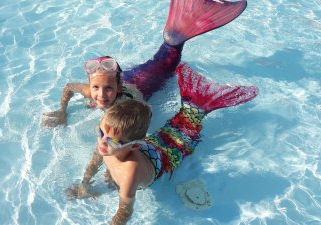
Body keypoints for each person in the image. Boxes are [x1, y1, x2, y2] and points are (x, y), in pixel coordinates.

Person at [65, 63, 259, 224]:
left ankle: (202, 104)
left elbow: (124, 212)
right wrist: (85, 185)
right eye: (101, 132)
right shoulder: (107, 143)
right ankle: (194, 104)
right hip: (150, 145)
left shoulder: (129, 173)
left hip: (163, 160)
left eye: (113, 140)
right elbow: (96, 159)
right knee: (170, 130)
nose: (103, 142)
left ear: (133, 146)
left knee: (184, 136)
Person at [42, 0, 248, 127]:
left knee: (168, 55)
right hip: (133, 74)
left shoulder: (126, 104)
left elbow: (146, 110)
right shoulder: (93, 90)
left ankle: (183, 29)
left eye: (108, 89)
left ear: (118, 88)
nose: (101, 94)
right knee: (160, 54)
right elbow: (69, 87)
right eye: (96, 88)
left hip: (151, 80)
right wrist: (62, 111)